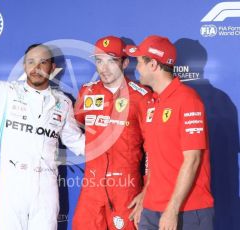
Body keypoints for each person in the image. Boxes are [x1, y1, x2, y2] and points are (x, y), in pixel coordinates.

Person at [0, 10, 85, 230]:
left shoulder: (63, 103)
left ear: (52, 68)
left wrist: (115, 139)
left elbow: (77, 141)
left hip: (47, 186)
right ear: (24, 66)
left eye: (43, 62)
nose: (36, 67)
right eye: (31, 62)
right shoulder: (5, 94)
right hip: (13, 184)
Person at [125, 35, 214, 230]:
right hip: (151, 209)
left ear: (154, 65)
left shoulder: (188, 100)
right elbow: (157, 159)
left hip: (186, 211)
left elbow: (193, 160)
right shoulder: (153, 102)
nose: (136, 68)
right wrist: (146, 195)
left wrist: (172, 209)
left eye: (139, 62)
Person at [73, 36, 151, 230]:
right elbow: (74, 127)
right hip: (91, 189)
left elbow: (154, 150)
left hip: (126, 189)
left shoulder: (142, 97)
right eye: (99, 60)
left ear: (124, 63)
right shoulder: (86, 93)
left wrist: (147, 192)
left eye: (111, 61)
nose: (104, 68)